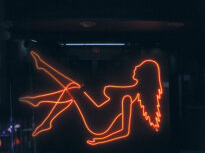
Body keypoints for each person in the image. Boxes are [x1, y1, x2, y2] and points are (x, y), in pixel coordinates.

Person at [20, 51, 163, 146]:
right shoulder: (129, 90)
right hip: (97, 110)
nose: (136, 67)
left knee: (73, 89)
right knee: (73, 88)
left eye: (140, 67)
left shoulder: (128, 96)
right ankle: (42, 107)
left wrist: (100, 139)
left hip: (98, 123)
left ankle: (41, 96)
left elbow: (124, 130)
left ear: (145, 74)